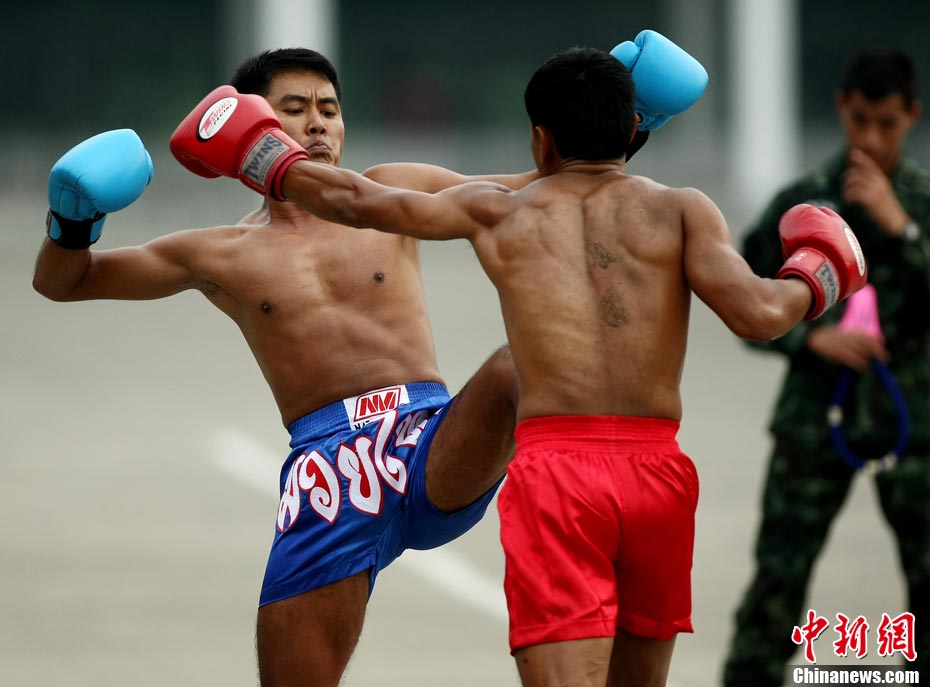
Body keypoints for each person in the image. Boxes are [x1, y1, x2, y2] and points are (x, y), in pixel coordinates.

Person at [169, 46, 867, 687]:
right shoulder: (684, 209)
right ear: (631, 129)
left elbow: (352, 201)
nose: (318, 121)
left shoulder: (500, 212)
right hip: (659, 474)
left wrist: (263, 152)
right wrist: (821, 271)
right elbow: (762, 313)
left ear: (540, 141)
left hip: (559, 471)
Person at [34, 39, 702, 687]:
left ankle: (601, 520)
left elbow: (539, 188)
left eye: (329, 108)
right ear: (249, 125)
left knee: (510, 369)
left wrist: (625, 124)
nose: (317, 123)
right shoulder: (216, 252)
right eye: (295, 108)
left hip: (431, 442)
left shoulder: (392, 190)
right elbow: (64, 281)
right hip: (329, 473)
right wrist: (72, 218)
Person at [721, 49, 930, 686]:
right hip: (816, 414)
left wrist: (900, 227)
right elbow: (743, 299)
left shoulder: (922, 205)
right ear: (841, 108)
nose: (871, 138)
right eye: (859, 119)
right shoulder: (802, 204)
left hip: (914, 419)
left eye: (886, 124)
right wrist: (812, 341)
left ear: (912, 116)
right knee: (778, 579)